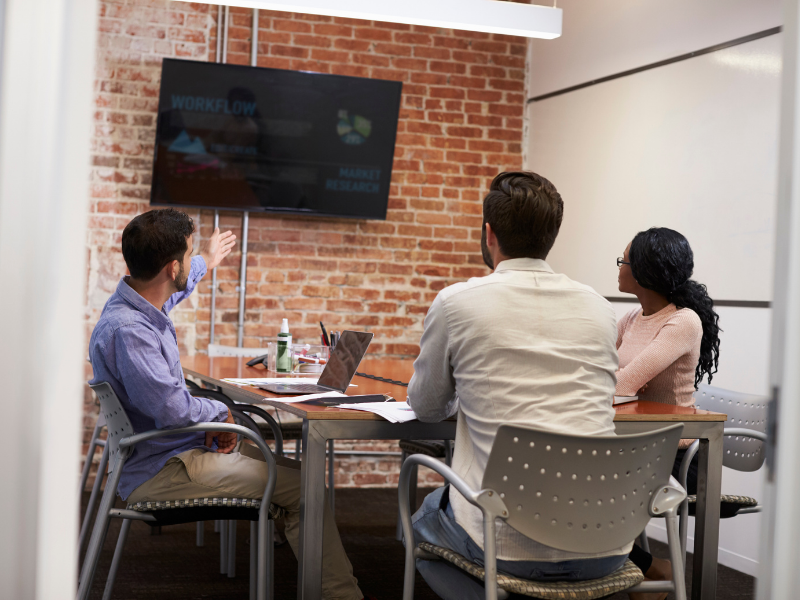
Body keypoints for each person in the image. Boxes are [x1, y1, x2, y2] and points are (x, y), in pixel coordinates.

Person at [88, 208, 366, 600]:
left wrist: (206, 259)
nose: (191, 260)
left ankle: (328, 584)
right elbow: (174, 410)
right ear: (170, 267)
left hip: (170, 450)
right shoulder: (133, 332)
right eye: (188, 255)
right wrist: (220, 414)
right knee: (305, 489)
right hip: (160, 469)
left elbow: (178, 287)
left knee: (297, 474)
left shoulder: (136, 307)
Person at [406, 171, 629, 600]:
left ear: (489, 234)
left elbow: (428, 407)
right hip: (606, 541)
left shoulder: (457, 302)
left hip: (503, 543)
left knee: (416, 522)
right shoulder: (600, 308)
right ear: (552, 235)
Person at [615, 227, 721, 600]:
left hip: (678, 455)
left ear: (644, 270)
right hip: (636, 445)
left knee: (579, 483)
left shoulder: (683, 321)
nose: (618, 267)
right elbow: (598, 371)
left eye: (623, 261)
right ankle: (645, 567)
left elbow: (622, 381)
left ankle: (645, 568)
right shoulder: (630, 318)